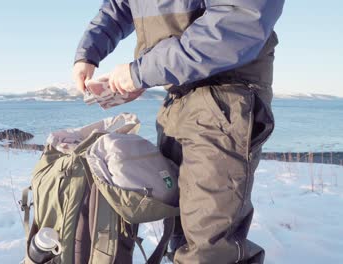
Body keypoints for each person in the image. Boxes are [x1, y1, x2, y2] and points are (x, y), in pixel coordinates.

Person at [72, 0, 284, 263]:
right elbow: (120, 6)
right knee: (180, 225)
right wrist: (88, 52)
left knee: (209, 243)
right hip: (178, 92)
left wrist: (141, 72)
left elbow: (239, 20)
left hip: (225, 92)